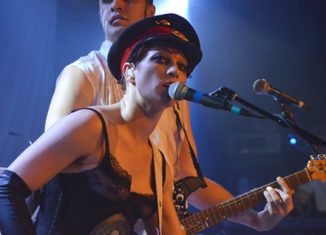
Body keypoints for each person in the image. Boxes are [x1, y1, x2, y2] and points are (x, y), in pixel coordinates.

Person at [0, 13, 293, 234]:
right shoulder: (90, 126)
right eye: (160, 59)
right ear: (129, 72)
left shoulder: (159, 166)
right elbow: (7, 187)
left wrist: (259, 220)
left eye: (181, 67)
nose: (173, 71)